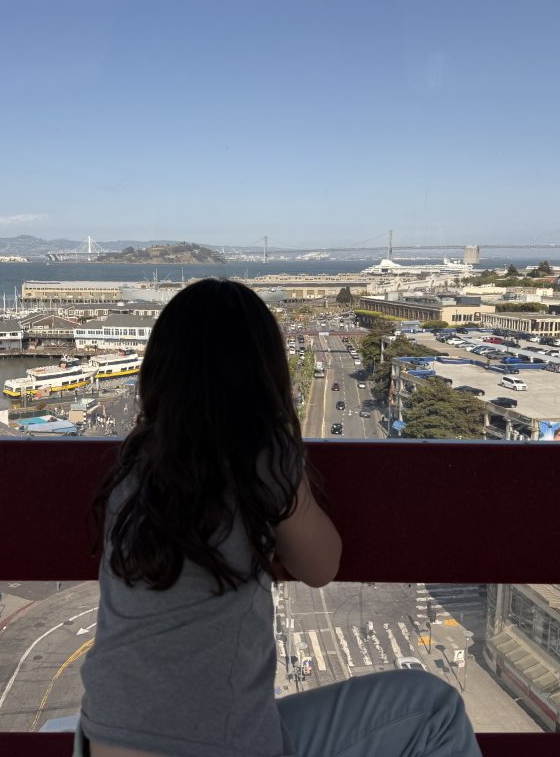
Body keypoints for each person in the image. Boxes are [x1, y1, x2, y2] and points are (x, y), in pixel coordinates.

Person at [77, 279, 480, 757]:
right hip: (221, 745)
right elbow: (321, 566)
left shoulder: (133, 467)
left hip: (100, 739)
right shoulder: (262, 459)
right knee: (434, 710)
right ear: (264, 375)